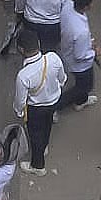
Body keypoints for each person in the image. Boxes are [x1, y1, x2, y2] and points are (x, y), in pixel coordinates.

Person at [13, 33, 65, 175]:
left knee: (35, 135)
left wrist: (20, 112)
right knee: (47, 125)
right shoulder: (53, 58)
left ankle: (38, 165)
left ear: (21, 50)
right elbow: (62, 78)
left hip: (36, 108)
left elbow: (20, 101)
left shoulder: (24, 75)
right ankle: (44, 146)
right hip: (54, 101)